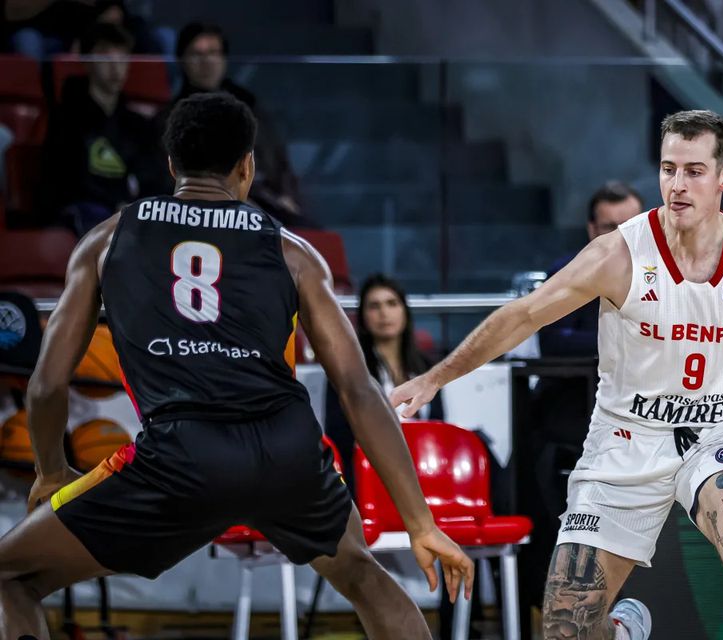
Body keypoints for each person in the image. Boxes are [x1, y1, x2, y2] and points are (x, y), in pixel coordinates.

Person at [392, 109, 723, 640]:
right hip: (624, 441)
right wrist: (435, 377)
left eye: (694, 171)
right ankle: (625, 630)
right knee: (567, 629)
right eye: (668, 168)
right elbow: (525, 314)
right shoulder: (619, 253)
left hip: (715, 440)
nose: (677, 185)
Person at [1, 92, 473, 640]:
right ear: (247, 165)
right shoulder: (294, 251)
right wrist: (421, 524)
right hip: (288, 452)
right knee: (362, 576)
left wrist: (52, 471)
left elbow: (46, 385)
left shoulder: (107, 240)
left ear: (172, 164)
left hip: (181, 458)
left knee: (12, 573)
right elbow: (358, 389)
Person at [155, 22, 302, 223]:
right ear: (182, 61)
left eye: (213, 52)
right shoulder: (170, 118)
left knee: (312, 234)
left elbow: (278, 162)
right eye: (197, 54)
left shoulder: (250, 107)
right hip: (206, 209)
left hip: (268, 202)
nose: (207, 61)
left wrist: (286, 196)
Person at [39, 22, 163, 234]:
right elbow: (64, 180)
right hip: (83, 214)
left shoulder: (137, 124)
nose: (116, 67)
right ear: (87, 62)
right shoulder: (66, 118)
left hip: (128, 215)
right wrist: (113, 204)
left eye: (122, 58)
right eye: (106, 57)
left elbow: (151, 176)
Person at [325, 273, 443, 492]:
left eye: (391, 303)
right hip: (370, 471)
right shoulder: (346, 368)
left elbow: (438, 425)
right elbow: (339, 432)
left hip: (426, 467)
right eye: (374, 306)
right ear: (363, 316)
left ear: (404, 310)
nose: (384, 313)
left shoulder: (427, 367)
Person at [539, 181, 644, 357]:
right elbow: (553, 341)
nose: (620, 236)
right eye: (610, 227)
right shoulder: (567, 273)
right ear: (592, 230)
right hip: (579, 382)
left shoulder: (662, 272)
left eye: (629, 226)